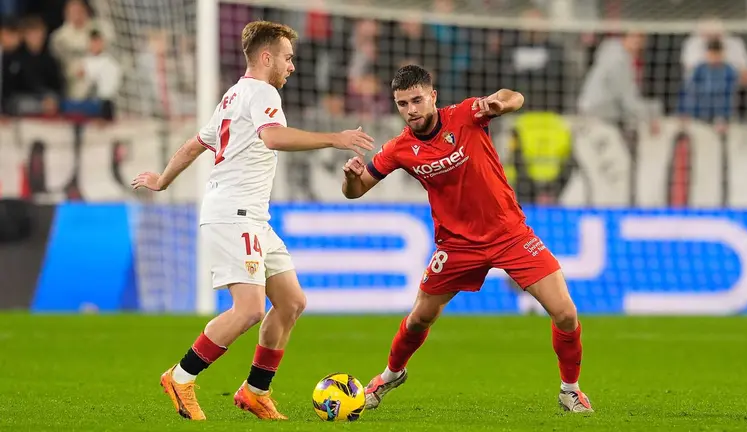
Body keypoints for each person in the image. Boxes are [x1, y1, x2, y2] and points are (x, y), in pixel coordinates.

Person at [131, 20, 374, 421]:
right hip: (233, 214)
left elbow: (195, 145)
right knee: (248, 309)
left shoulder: (233, 96)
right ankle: (180, 376)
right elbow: (273, 138)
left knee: (292, 302)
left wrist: (161, 179)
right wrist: (335, 137)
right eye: (287, 58)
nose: (291, 66)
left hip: (253, 216)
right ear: (267, 57)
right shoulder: (262, 92)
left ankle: (255, 391)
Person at [340, 65, 593, 413]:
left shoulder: (466, 114)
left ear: (433, 96)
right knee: (418, 319)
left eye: (417, 100)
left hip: (509, 233)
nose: (411, 110)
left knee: (565, 313)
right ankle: (390, 374)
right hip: (456, 245)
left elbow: (512, 96)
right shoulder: (399, 148)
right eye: (402, 104)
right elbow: (356, 191)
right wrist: (351, 178)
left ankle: (570, 389)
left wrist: (500, 105)